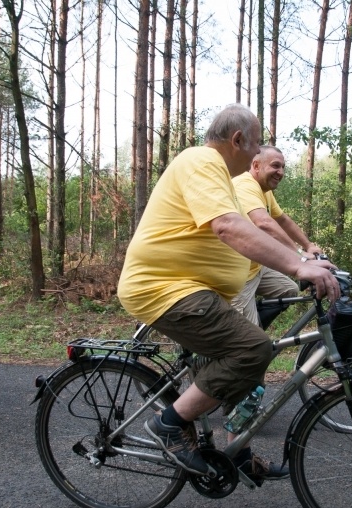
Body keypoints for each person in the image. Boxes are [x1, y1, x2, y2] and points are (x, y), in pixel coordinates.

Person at [117, 104, 340, 483]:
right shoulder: (200, 161)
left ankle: (238, 451)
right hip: (165, 289)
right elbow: (228, 227)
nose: (258, 155)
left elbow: (258, 228)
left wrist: (300, 261)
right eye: (255, 146)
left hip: (198, 290)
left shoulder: (225, 178)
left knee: (242, 366)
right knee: (252, 348)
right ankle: (169, 424)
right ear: (238, 140)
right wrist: (299, 264)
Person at [230, 145, 324, 327]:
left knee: (288, 290)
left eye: (282, 167)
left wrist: (309, 245)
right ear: (256, 166)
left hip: (254, 267)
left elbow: (282, 219)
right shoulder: (245, 185)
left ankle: (249, 327)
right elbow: (264, 223)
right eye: (275, 166)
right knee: (248, 346)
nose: (280, 172)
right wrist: (299, 256)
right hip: (238, 274)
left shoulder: (263, 190)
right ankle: (242, 338)